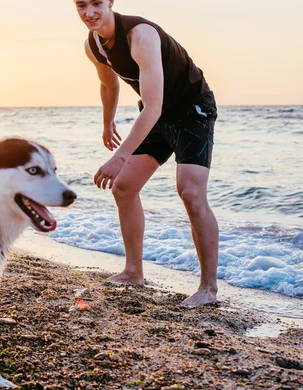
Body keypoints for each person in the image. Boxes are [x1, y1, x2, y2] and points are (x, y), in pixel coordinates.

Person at [74, 0, 219, 306]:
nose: (89, 12)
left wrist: (120, 156)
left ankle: (208, 289)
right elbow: (108, 84)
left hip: (192, 110)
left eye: (96, 3)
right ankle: (133, 271)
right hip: (158, 116)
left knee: (190, 191)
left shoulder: (141, 36)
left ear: (111, 2)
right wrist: (107, 121)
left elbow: (152, 107)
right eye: (80, 5)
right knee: (124, 187)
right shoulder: (94, 45)